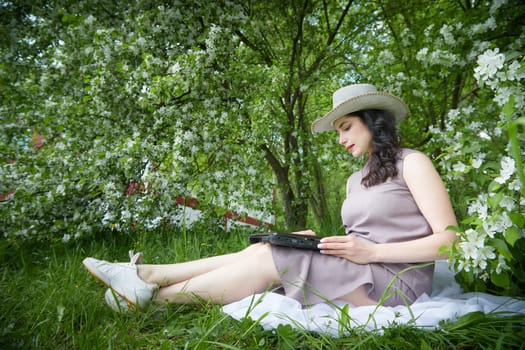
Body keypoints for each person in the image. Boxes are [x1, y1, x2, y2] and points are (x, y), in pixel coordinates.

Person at [83, 83, 458, 312]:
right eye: (337, 131)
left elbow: (450, 242)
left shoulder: (413, 163)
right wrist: (319, 243)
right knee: (263, 250)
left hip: (394, 283)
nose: (341, 138)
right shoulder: (354, 180)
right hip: (359, 270)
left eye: (346, 127)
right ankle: (146, 280)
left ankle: (150, 290)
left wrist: (372, 252)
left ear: (372, 120)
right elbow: (357, 241)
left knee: (274, 257)